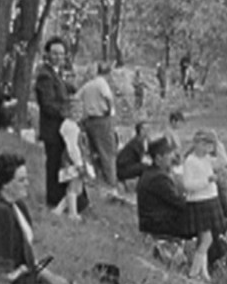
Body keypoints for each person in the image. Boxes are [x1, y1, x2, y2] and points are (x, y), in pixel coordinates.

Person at [0, 153, 106, 284]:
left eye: (26, 178)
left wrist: (46, 274)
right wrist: (42, 277)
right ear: (5, 184)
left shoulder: (16, 205)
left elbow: (23, 254)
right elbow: (1, 268)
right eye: (21, 180)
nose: (27, 184)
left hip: (22, 279)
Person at [181, 130, 227, 281]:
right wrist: (206, 181)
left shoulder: (208, 159)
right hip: (199, 202)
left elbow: (224, 161)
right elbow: (187, 185)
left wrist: (218, 143)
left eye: (208, 144)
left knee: (204, 240)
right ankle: (194, 272)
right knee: (207, 239)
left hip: (211, 199)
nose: (206, 147)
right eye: (203, 144)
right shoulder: (190, 161)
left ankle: (203, 273)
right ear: (195, 144)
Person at [34, 37, 75, 208]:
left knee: (60, 162)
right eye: (55, 53)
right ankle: (53, 199)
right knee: (53, 164)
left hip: (61, 128)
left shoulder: (55, 73)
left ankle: (61, 198)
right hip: (53, 128)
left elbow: (62, 92)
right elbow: (48, 104)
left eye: (61, 54)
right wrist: (67, 113)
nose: (58, 56)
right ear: (48, 54)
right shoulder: (45, 75)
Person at [135, 137, 188, 239]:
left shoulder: (151, 173)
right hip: (157, 225)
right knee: (203, 218)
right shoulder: (159, 178)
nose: (172, 158)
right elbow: (179, 203)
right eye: (168, 155)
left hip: (152, 221)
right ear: (159, 158)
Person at [77, 62, 118, 190]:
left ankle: (98, 180)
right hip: (102, 120)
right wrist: (110, 111)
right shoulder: (101, 83)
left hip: (88, 121)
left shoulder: (88, 85)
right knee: (108, 152)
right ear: (108, 73)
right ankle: (111, 183)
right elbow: (108, 97)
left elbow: (76, 97)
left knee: (94, 152)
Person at [52, 117, 91, 219]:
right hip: (72, 161)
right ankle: (72, 213)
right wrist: (78, 163)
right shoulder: (72, 127)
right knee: (73, 187)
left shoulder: (75, 126)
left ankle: (58, 210)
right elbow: (73, 147)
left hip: (77, 159)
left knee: (78, 189)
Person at [116, 120, 151, 185]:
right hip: (123, 170)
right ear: (141, 130)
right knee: (146, 168)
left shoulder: (140, 140)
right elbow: (143, 159)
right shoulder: (138, 141)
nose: (148, 131)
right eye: (146, 129)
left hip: (125, 167)